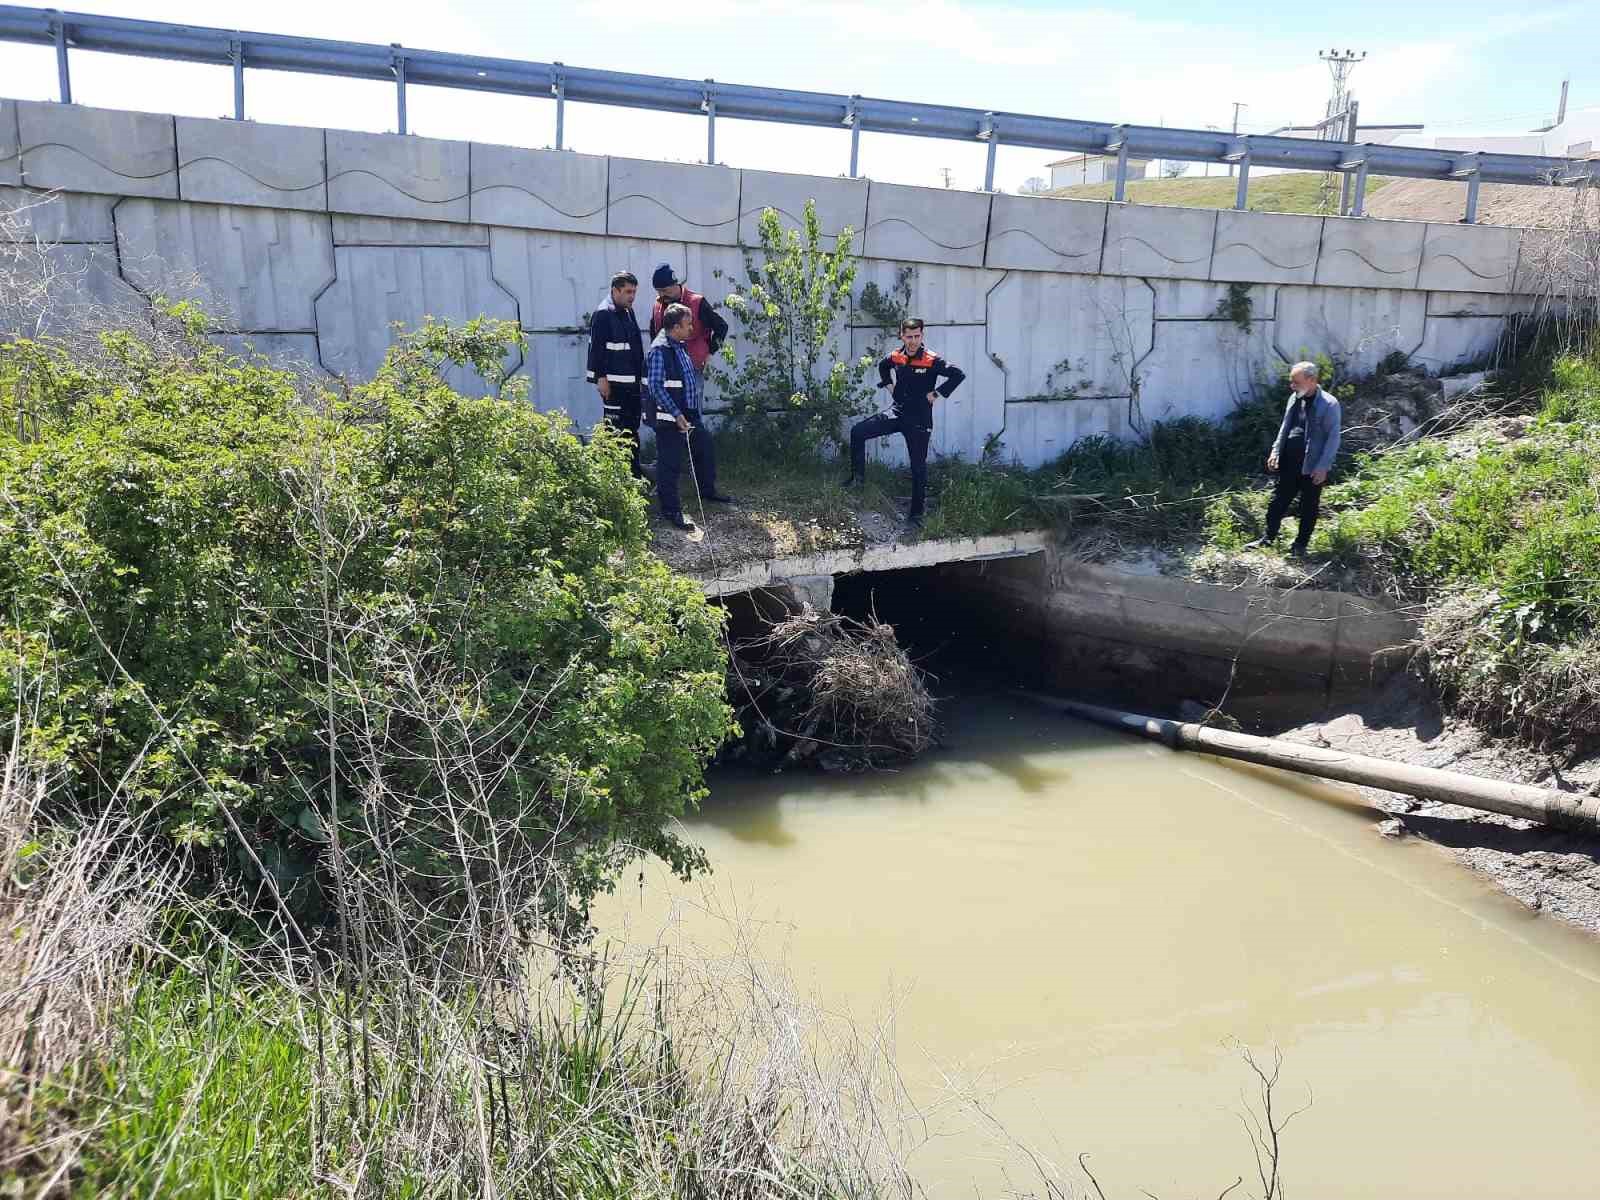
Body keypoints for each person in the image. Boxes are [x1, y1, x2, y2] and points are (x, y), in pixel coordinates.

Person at [842, 318, 965, 527]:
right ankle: (857, 480)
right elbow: (883, 366)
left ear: (922, 336)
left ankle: (916, 515)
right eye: (909, 336)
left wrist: (935, 394)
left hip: (919, 419)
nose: (913, 341)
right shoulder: (896, 356)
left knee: (918, 467)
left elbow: (957, 375)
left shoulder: (931, 359)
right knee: (858, 432)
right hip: (897, 413)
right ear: (902, 335)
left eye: (917, 336)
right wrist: (889, 386)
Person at [646, 302, 734, 530]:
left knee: (703, 447)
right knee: (670, 463)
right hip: (669, 416)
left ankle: (708, 491)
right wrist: (676, 414)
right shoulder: (660, 350)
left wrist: (689, 411)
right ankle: (671, 509)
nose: (691, 328)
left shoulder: (680, 345)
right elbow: (656, 387)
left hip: (688, 413)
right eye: (687, 325)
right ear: (675, 327)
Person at [1262, 360, 1341, 557]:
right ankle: (1268, 538)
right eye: (1292, 382)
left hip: (1312, 466)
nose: (1292, 386)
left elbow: (1333, 438)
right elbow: (1285, 426)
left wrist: (1323, 467)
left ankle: (1300, 545)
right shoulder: (1294, 398)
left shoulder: (1329, 404)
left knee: (1308, 507)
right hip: (1289, 463)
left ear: (1312, 380)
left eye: (1296, 382)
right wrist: (1276, 451)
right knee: (1277, 502)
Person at [586, 270, 646, 478]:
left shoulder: (629, 312)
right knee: (614, 431)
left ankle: (633, 473)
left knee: (632, 429)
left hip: (632, 385)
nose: (632, 296)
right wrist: (600, 379)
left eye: (634, 292)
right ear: (615, 290)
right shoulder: (603, 313)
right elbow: (596, 349)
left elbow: (635, 347)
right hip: (614, 386)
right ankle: (613, 477)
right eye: (628, 291)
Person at [649, 263, 728, 376]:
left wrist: (710, 354)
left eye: (664, 290)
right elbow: (654, 333)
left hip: (692, 369)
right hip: (665, 370)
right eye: (658, 291)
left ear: (674, 284)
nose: (661, 294)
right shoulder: (658, 305)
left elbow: (721, 327)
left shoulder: (697, 302)